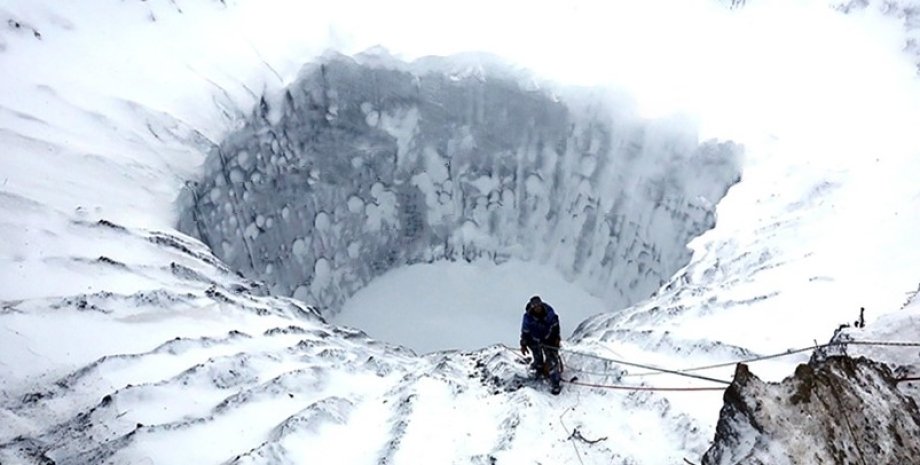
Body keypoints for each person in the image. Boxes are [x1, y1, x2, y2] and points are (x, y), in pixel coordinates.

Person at [520, 295, 562, 394]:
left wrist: (557, 338)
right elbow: (525, 331)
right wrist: (523, 344)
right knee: (538, 357)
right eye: (535, 306)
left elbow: (556, 326)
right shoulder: (528, 318)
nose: (537, 308)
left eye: (539, 305)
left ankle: (555, 383)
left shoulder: (550, 313)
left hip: (549, 339)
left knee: (552, 360)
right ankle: (539, 370)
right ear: (532, 307)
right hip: (535, 340)